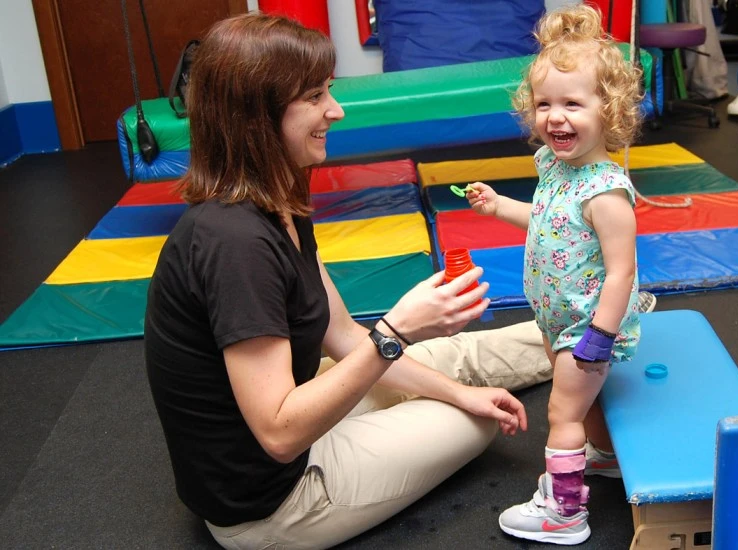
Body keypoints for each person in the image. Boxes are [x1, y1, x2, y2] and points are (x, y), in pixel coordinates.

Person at [143, 13, 552, 550]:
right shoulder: (233, 243)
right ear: (256, 116)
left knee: (455, 366)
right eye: (314, 96)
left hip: (297, 416)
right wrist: (398, 332)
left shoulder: (277, 197)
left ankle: (587, 337)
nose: (334, 110)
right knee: (472, 421)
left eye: (328, 91)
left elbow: (339, 332)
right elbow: (280, 433)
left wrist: (449, 383)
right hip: (274, 503)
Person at [465, 4, 645, 545]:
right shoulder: (556, 167)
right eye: (545, 104)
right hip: (553, 314)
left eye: (573, 104)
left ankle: (565, 513)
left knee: (562, 412)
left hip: (587, 326)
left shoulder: (607, 193)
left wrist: (600, 336)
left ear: (608, 111)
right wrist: (500, 207)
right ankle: (604, 457)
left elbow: (622, 272)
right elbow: (545, 219)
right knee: (581, 410)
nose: (555, 117)